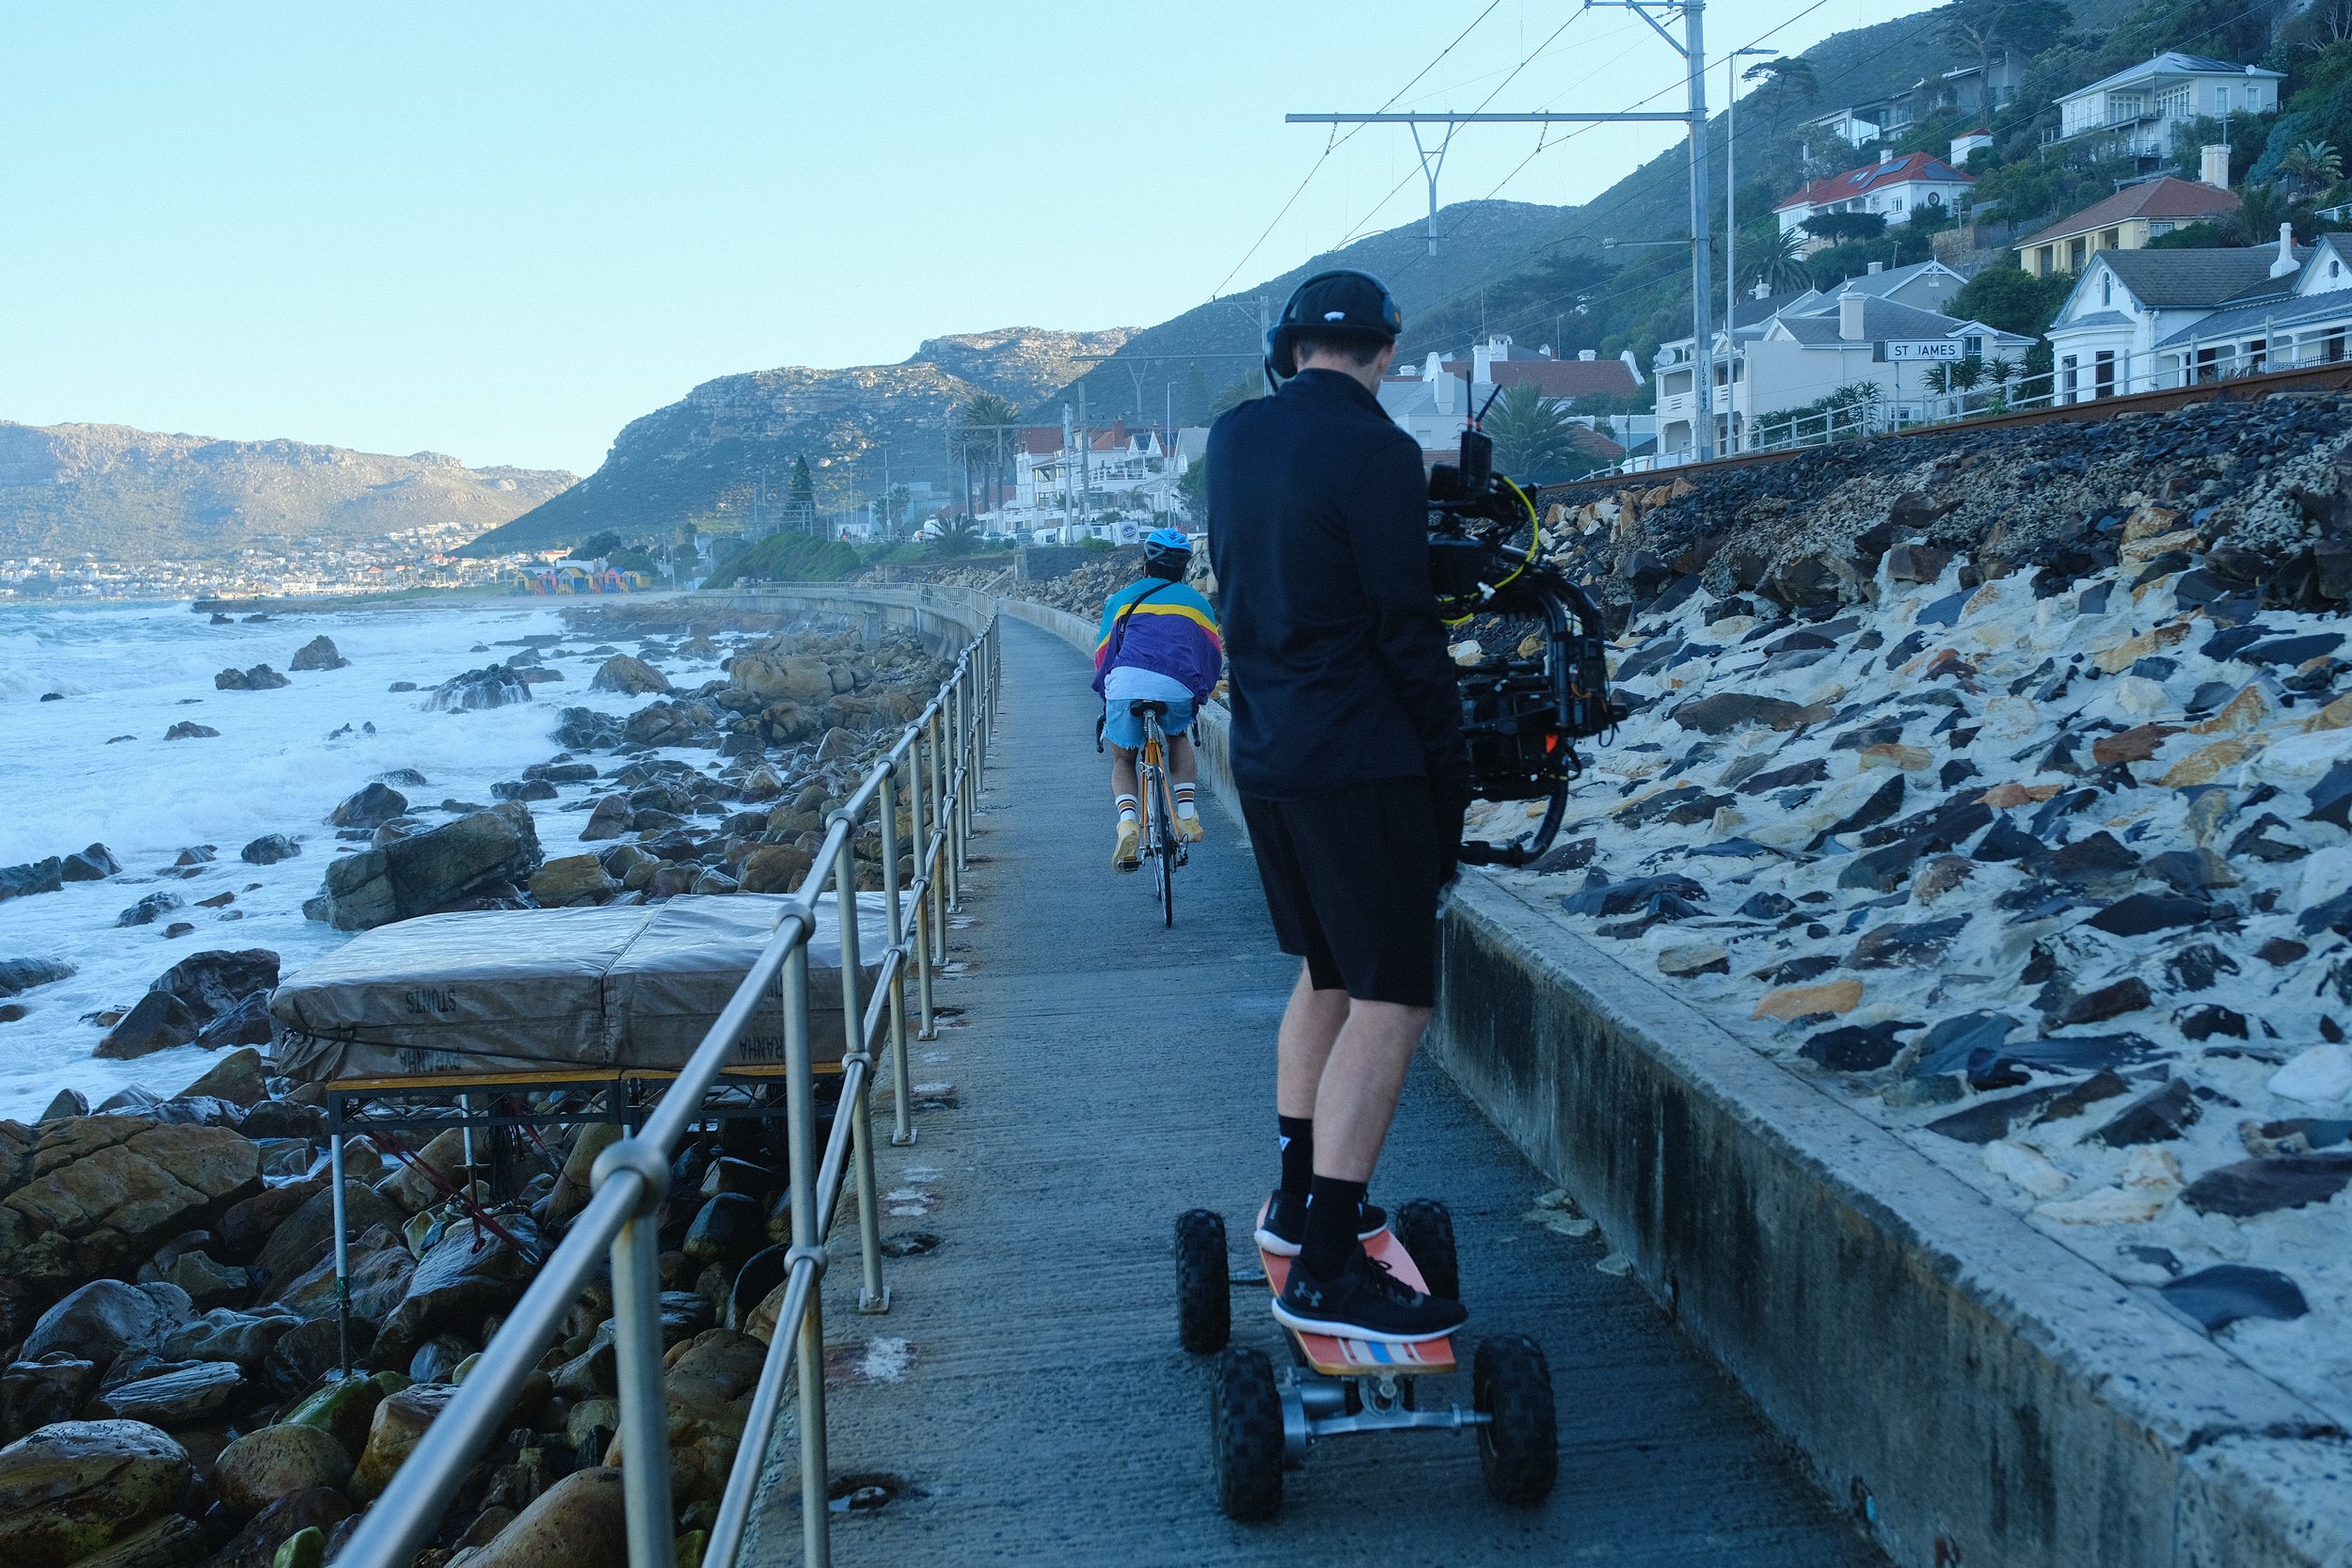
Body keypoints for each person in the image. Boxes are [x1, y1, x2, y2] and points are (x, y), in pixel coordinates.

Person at [1207, 269, 1470, 1345]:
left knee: (1325, 972)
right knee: (1394, 1001)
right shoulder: (1380, 451)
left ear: (1286, 350)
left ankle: (1304, 1197)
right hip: (1359, 759)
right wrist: (1446, 774)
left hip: (1266, 752)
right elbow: (1404, 628)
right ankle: (1324, 1267)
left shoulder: (1233, 436)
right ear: (1386, 353)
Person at [1093, 527, 1222, 872]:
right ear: (1182, 569)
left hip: (1126, 684)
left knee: (1123, 758)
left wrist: (1106, 692)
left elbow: (1105, 653)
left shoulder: (1122, 599)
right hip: (1176, 686)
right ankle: (1184, 814)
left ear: (1145, 565)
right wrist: (1202, 691)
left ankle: (1128, 822)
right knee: (1178, 735)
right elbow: (1211, 653)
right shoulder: (1197, 603)